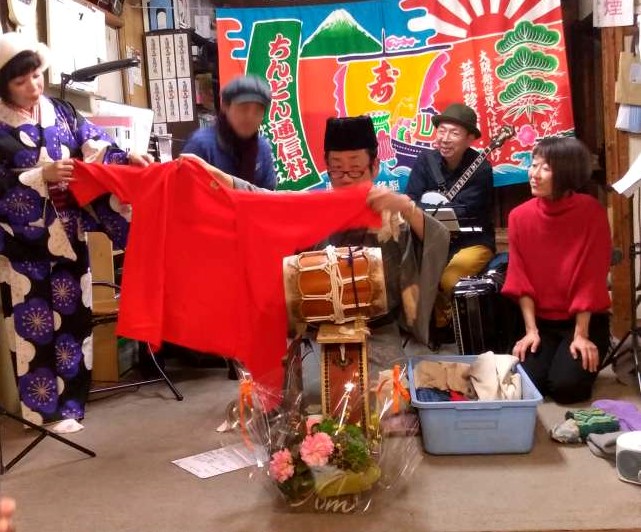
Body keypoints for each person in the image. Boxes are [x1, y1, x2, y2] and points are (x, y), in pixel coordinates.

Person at [195, 116, 450, 377]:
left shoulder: (393, 214)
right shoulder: (314, 210)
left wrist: (407, 208)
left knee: (389, 395)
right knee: (304, 395)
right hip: (317, 337)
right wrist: (212, 175)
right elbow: (260, 200)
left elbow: (438, 238)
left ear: (374, 166)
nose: (346, 178)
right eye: (337, 169)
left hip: (377, 335)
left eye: (355, 169)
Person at [0, 32, 152, 429]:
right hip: (21, 244)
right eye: (21, 81)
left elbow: (95, 148)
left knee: (73, 322)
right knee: (33, 325)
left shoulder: (62, 112)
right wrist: (40, 176)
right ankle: (41, 412)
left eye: (36, 76)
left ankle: (70, 406)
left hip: (69, 233)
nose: (33, 86)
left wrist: (126, 158)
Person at [501, 137, 611, 404]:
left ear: (566, 173)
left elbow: (590, 278)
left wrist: (581, 335)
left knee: (565, 388)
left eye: (545, 168)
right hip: (540, 321)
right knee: (528, 384)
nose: (534, 174)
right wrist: (531, 331)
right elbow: (519, 278)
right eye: (533, 164)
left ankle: (583, 351)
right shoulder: (519, 216)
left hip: (583, 318)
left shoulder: (591, 212)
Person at [405, 103, 495, 346]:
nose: (445, 139)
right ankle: (428, 326)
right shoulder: (425, 161)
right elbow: (411, 199)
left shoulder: (481, 169)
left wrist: (433, 209)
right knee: (412, 272)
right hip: (431, 241)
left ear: (470, 139)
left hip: (472, 241)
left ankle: (448, 323)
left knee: (448, 279)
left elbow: (469, 211)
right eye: (442, 131)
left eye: (454, 133)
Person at [181, 74, 276, 190]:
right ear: (225, 106)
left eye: (258, 111)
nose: (250, 117)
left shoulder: (262, 147)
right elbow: (185, 192)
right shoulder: (201, 145)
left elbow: (268, 195)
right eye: (244, 108)